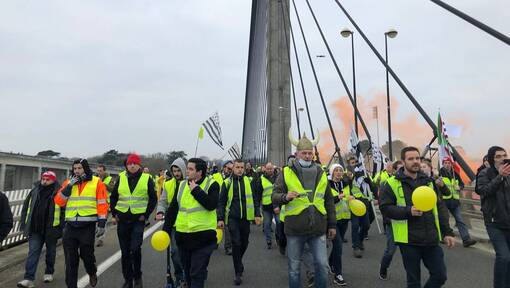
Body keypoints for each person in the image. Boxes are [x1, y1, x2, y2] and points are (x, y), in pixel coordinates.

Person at [380, 147, 455, 288]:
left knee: (440, 276)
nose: (415, 162)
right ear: (403, 161)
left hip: (431, 237)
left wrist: (447, 232)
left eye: (417, 158)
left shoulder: (429, 181)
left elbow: (439, 207)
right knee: (414, 282)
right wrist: (408, 211)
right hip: (409, 240)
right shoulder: (391, 183)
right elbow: (385, 208)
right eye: (411, 159)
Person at [273, 132, 336, 288]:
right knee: (294, 268)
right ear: (297, 154)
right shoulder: (285, 172)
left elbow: (328, 200)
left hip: (318, 228)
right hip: (295, 229)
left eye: (310, 153)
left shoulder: (321, 173)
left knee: (322, 265)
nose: (308, 156)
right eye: (304, 153)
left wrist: (332, 225)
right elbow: (274, 196)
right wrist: (285, 197)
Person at [163, 158, 219, 288]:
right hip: (184, 238)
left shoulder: (212, 184)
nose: (186, 171)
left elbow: (211, 204)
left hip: (203, 239)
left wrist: (196, 191)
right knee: (187, 274)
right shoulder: (182, 185)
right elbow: (173, 209)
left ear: (199, 172)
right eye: (187, 168)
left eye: (190, 169)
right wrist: (165, 230)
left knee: (196, 274)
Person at [54, 158, 109, 288]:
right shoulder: (68, 182)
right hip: (70, 226)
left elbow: (102, 203)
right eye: (75, 168)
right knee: (70, 261)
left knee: (86, 254)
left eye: (80, 168)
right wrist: (68, 187)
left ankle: (92, 272)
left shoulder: (96, 182)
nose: (77, 171)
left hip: (87, 225)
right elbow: (58, 201)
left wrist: (102, 224)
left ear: (85, 168)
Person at [110, 154, 157, 288]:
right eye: (129, 163)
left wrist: (146, 215)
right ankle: (128, 280)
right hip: (123, 219)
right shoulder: (121, 177)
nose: (131, 166)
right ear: (126, 165)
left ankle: (137, 276)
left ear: (139, 165)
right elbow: (113, 197)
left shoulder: (146, 178)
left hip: (138, 219)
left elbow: (153, 199)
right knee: (125, 252)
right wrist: (114, 214)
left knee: (135, 249)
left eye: (134, 163)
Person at [218, 159, 262, 285]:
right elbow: (221, 202)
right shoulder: (227, 183)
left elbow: (255, 199)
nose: (240, 170)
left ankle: (238, 261)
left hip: (246, 219)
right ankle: (238, 272)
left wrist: (257, 214)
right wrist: (220, 218)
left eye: (242, 167)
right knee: (236, 243)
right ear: (233, 168)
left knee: (244, 243)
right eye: (237, 167)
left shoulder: (249, 181)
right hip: (232, 218)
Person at [17, 171, 63, 288]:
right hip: (35, 228)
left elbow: (63, 211)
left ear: (53, 180)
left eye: (47, 179)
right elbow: (25, 208)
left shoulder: (59, 192)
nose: (44, 181)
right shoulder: (35, 190)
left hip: (51, 229)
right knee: (32, 253)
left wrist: (61, 229)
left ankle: (49, 272)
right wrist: (24, 224)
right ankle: (28, 279)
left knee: (50, 252)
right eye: (43, 179)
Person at [475, 146, 510, 288]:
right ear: (491, 159)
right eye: (498, 156)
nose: (502, 159)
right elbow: (482, 190)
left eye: (504, 155)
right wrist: (500, 176)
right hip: (494, 223)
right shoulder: (485, 173)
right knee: (504, 257)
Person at [155, 158, 186, 285]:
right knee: (175, 252)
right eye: (174, 171)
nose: (177, 173)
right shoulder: (167, 184)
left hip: (187, 223)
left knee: (187, 252)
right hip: (173, 223)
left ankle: (190, 272)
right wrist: (160, 211)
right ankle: (179, 276)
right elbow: (163, 200)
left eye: (179, 170)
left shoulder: (190, 183)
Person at [439, 158, 477, 247]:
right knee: (444, 220)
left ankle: (466, 239)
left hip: (454, 202)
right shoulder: (439, 174)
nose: (447, 165)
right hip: (444, 201)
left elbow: (462, 184)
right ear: (443, 164)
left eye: (449, 163)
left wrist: (459, 187)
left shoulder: (455, 174)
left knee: (460, 220)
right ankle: (443, 236)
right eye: (445, 163)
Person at [378, 160, 404, 280]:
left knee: (409, 253)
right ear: (393, 171)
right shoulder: (386, 184)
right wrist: (388, 218)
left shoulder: (409, 183)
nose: (402, 171)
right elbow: (384, 206)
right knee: (391, 250)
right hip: (392, 223)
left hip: (407, 223)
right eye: (400, 169)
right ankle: (383, 267)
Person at [328, 164, 352, 286]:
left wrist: (350, 198)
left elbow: (347, 197)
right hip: (333, 220)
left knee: (338, 245)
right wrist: (338, 197)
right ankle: (338, 274)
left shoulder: (345, 184)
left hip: (345, 218)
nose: (338, 172)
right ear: (332, 173)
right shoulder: (327, 184)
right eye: (336, 171)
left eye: (340, 170)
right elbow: (326, 201)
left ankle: (330, 261)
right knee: (338, 246)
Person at [253, 162, 280, 249]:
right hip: (266, 206)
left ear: (273, 169)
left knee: (279, 222)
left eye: (271, 168)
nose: (269, 170)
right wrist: (257, 207)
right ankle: (269, 240)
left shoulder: (279, 178)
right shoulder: (261, 179)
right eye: (268, 169)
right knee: (267, 224)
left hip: (277, 205)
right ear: (265, 169)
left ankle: (278, 237)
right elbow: (258, 194)